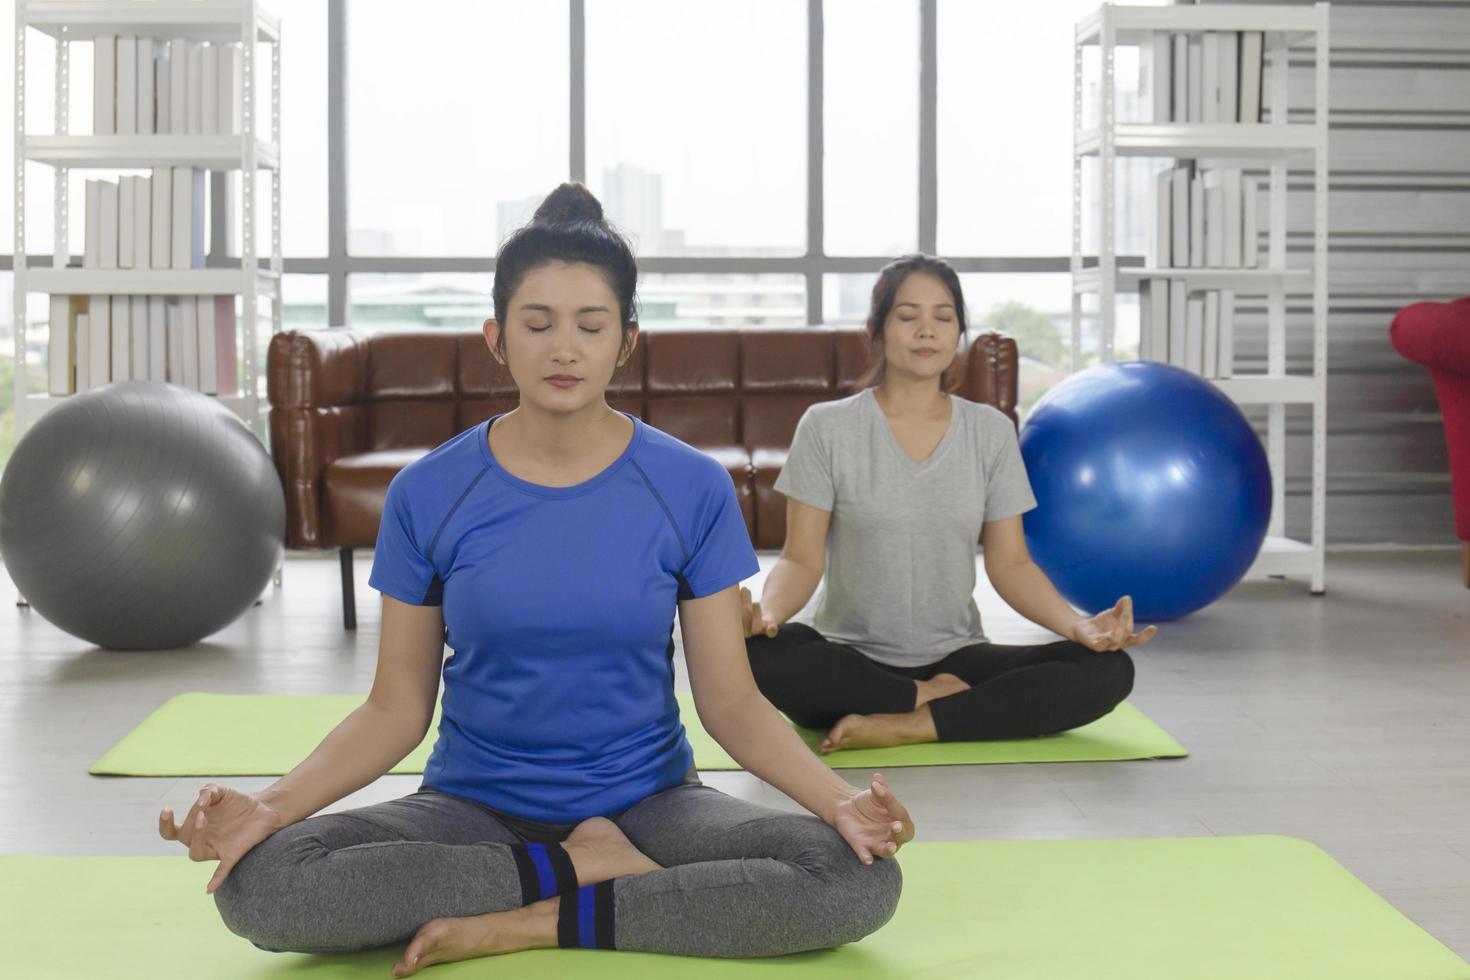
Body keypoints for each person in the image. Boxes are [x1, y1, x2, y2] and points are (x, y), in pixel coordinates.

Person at [156, 185, 910, 977]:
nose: (564, 348)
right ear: (496, 337)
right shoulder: (428, 493)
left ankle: (528, 922)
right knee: (264, 887)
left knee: (855, 882)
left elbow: (730, 703)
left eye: (591, 326)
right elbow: (393, 710)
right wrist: (267, 808)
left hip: (652, 809)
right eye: (537, 324)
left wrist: (839, 804)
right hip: (471, 811)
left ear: (626, 342)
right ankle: (579, 872)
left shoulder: (690, 486)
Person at [744, 254, 1156, 756]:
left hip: (958, 660)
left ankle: (908, 724)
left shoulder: (990, 432)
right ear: (876, 329)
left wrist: (1078, 625)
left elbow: (1012, 564)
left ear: (958, 333)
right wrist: (765, 615)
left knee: (1109, 670)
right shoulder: (827, 426)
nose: (927, 331)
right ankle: (927, 701)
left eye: (943, 317)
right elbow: (799, 558)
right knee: (758, 654)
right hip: (849, 659)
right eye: (907, 316)